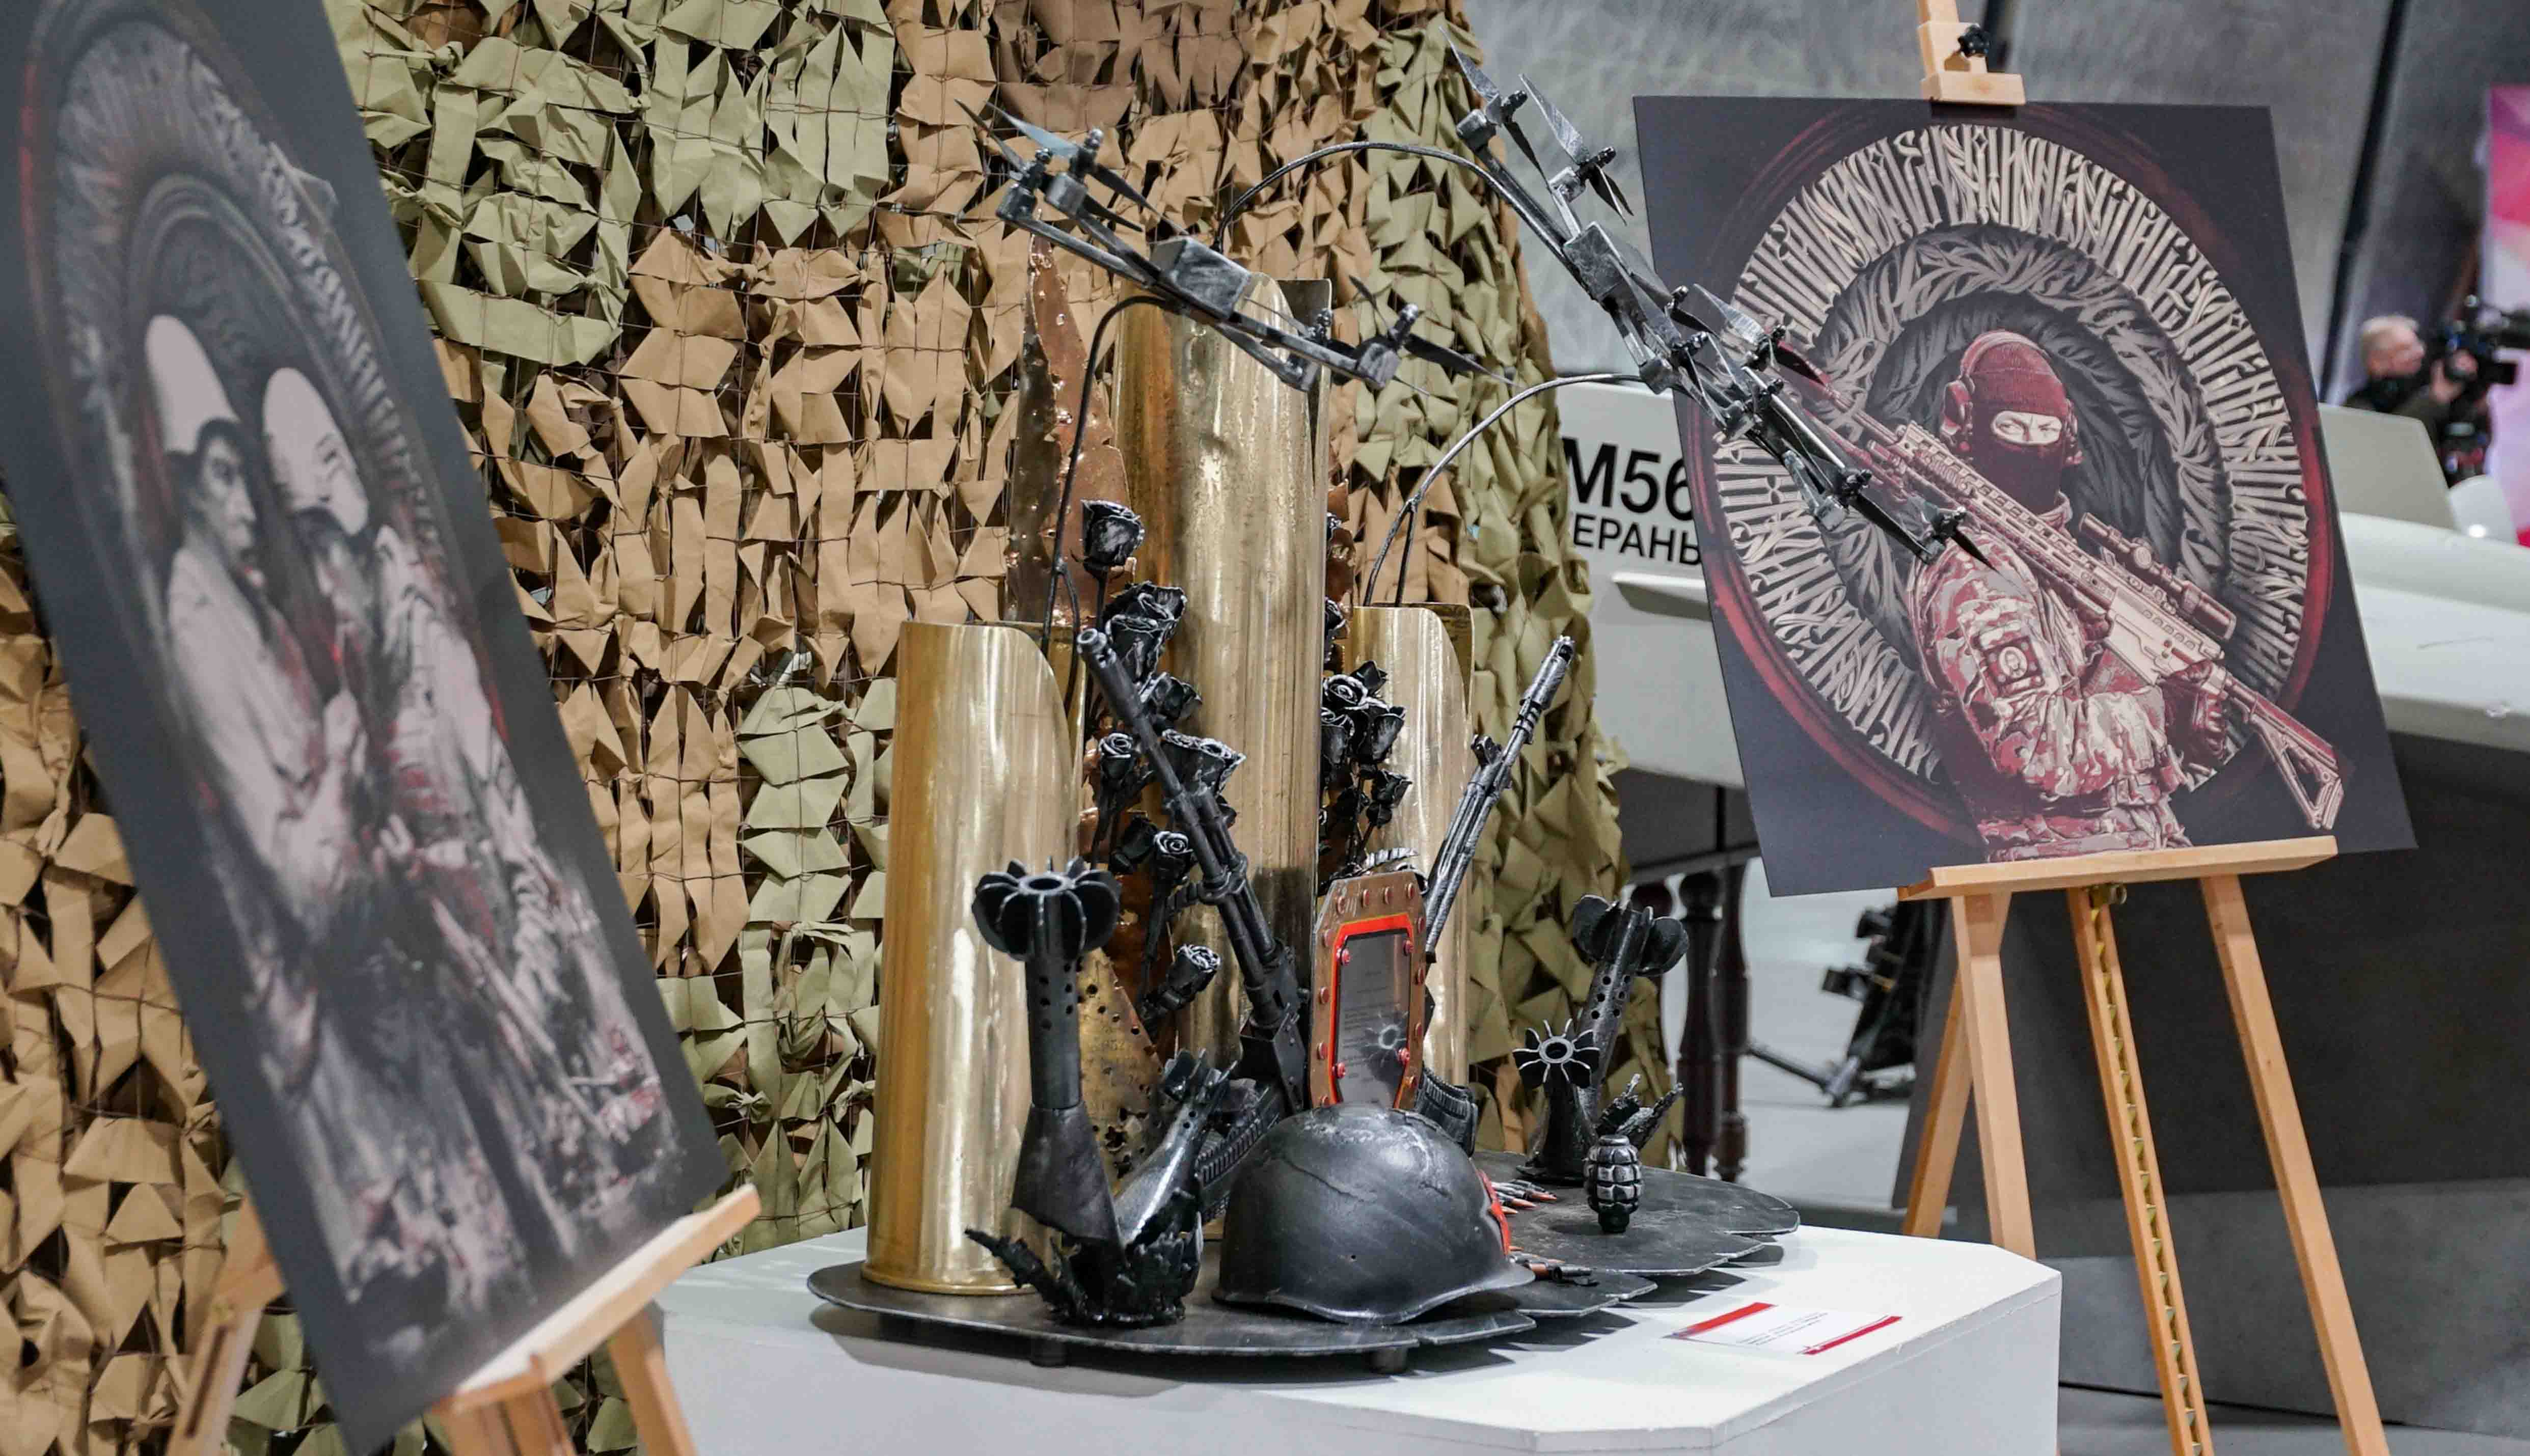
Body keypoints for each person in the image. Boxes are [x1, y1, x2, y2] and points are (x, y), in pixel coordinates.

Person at [1901, 330, 2236, 861]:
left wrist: (2188, 724)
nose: (2033, 448)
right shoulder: (1975, 570)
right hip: (2044, 861)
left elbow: (2121, 738)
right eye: (2011, 428)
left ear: (2068, 437)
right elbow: (2036, 748)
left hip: (2133, 846)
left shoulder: (2066, 565)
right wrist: (2163, 708)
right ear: (1968, 430)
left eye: (2046, 430)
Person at [2344, 313, 2484, 446]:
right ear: (2377, 362)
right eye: (2405, 349)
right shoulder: (2359, 407)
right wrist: (2435, 399)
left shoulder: (2425, 387)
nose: (2420, 353)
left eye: (2418, 345)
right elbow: (2386, 446)